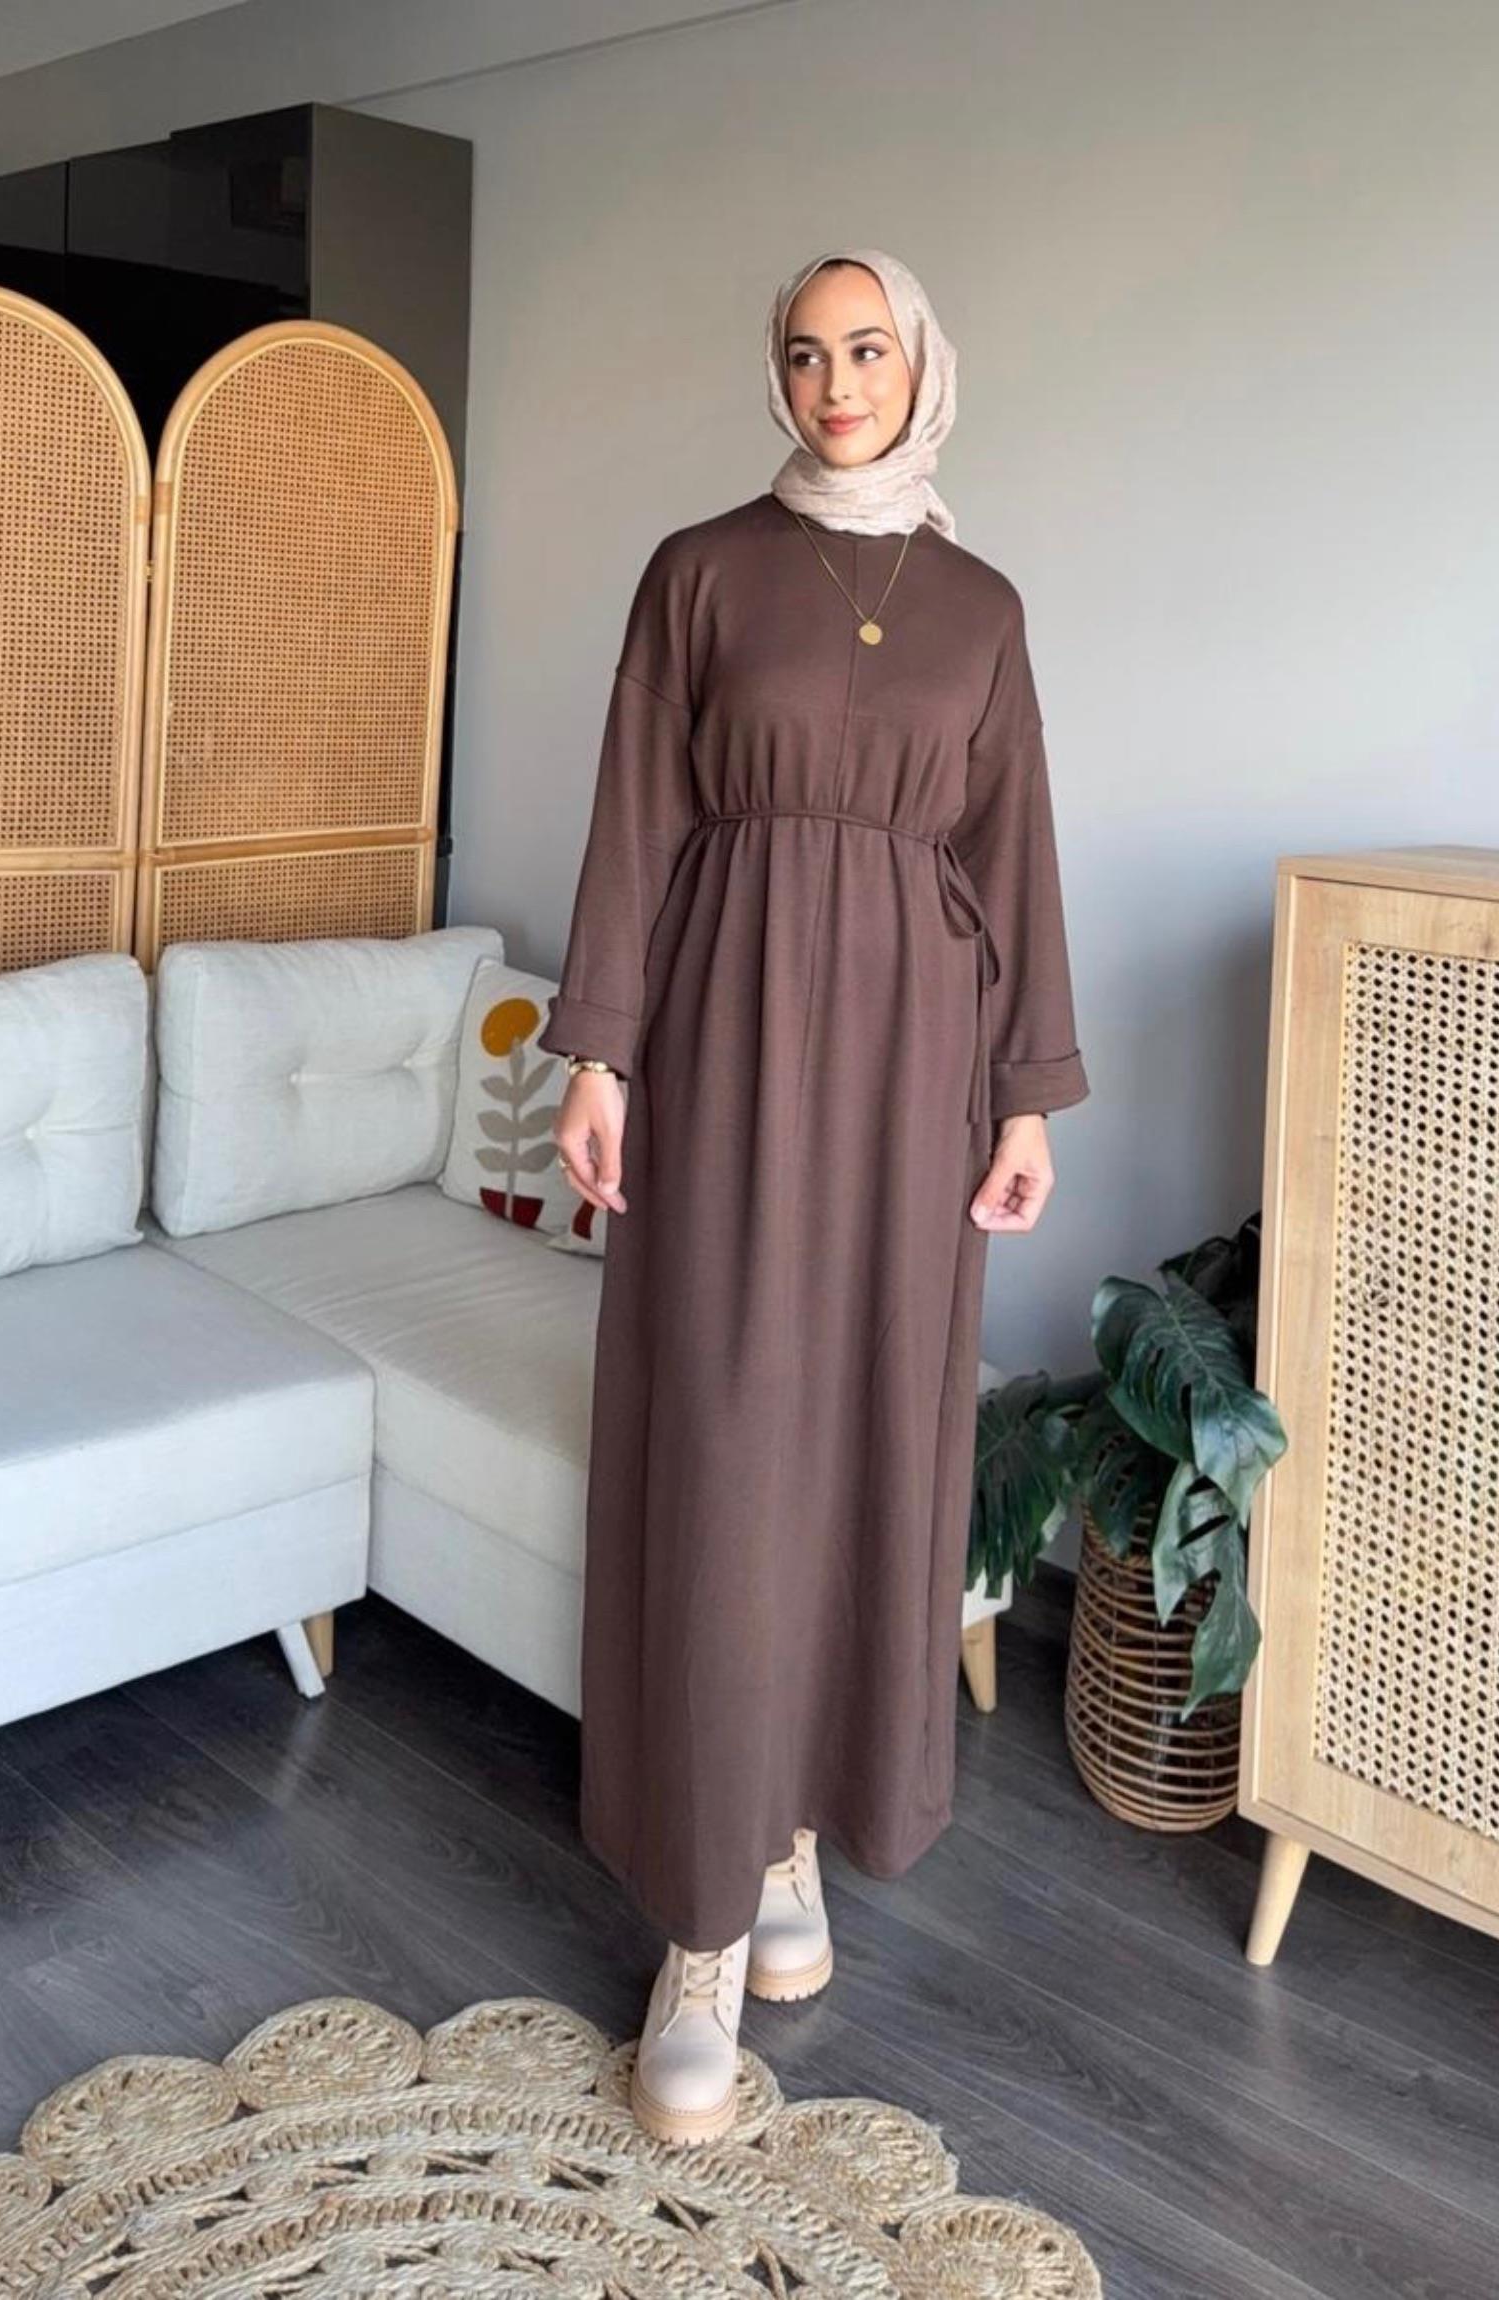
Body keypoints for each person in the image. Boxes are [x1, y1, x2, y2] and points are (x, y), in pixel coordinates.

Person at [540, 246, 1089, 2147]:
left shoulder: (984, 606)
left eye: (865, 349)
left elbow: (1014, 858)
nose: (834, 382)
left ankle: (790, 1841)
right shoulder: (698, 571)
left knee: (863, 1443)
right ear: (773, 377)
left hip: (917, 1075)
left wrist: (1026, 1099)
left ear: (920, 362)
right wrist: (598, 1054)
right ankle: (700, 1920)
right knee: (722, 1448)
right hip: (721, 1044)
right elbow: (635, 815)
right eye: (802, 353)